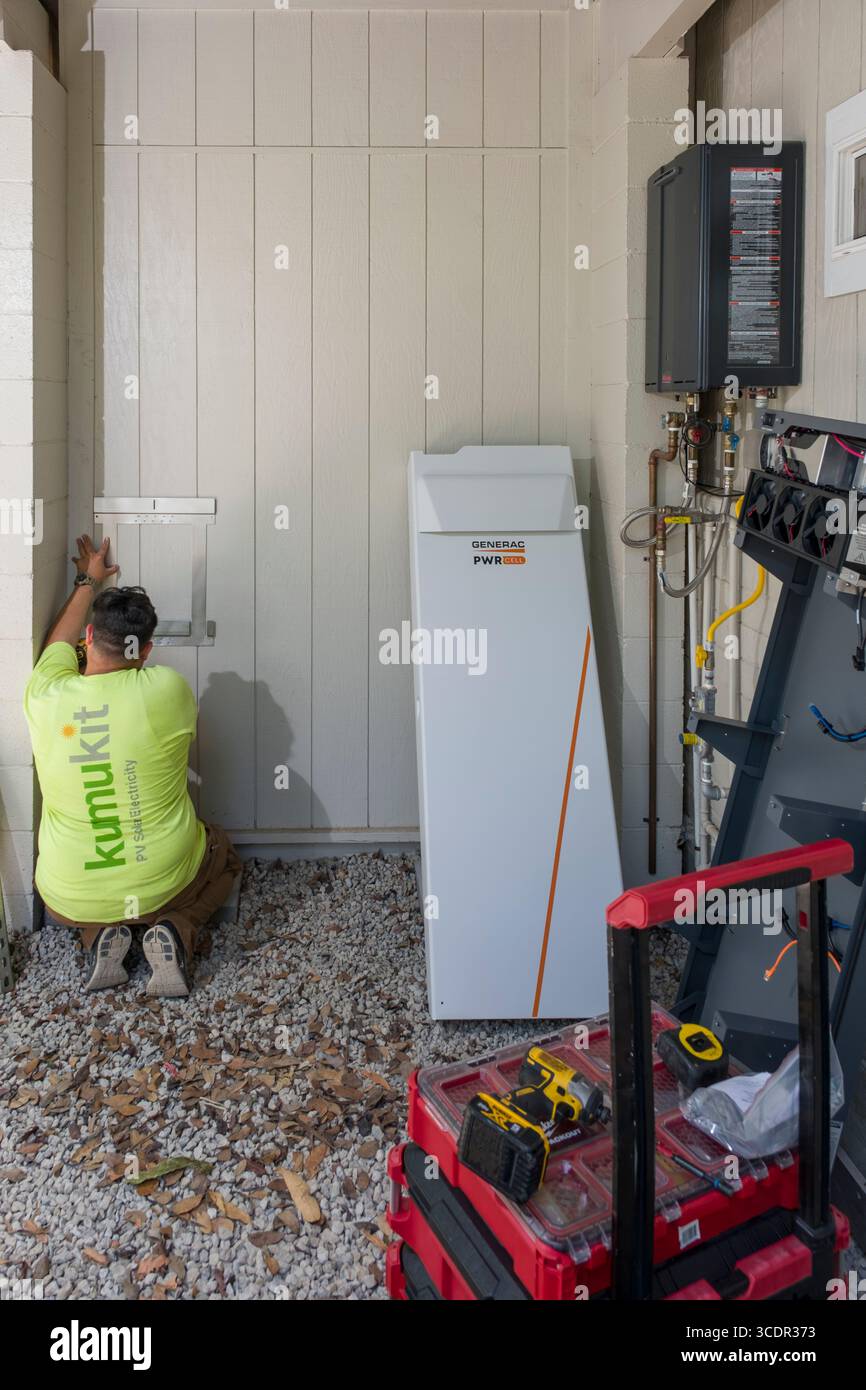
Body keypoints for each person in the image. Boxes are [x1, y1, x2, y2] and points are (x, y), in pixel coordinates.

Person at [22, 535, 241, 996]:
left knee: (88, 896)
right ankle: (175, 928)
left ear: (87, 640)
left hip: (66, 892)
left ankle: (98, 933)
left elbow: (55, 645)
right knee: (222, 852)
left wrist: (89, 580)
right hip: (162, 878)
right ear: (146, 651)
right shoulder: (167, 690)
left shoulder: (45, 694)